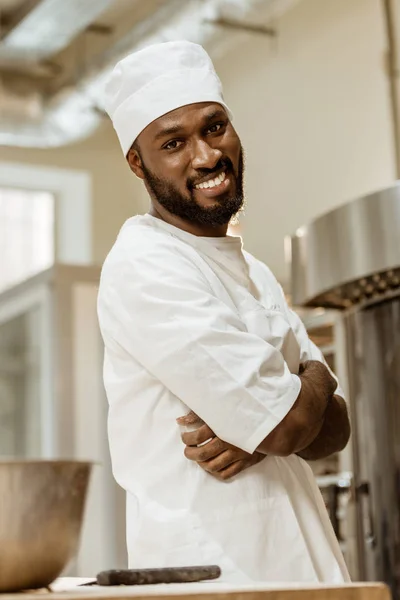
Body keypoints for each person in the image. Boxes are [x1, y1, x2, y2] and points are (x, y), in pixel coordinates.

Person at [97, 40, 351, 583]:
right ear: (138, 163)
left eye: (215, 127)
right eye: (174, 142)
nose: (207, 156)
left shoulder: (253, 271)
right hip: (218, 577)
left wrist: (285, 408)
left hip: (306, 571)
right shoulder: (147, 266)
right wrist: (298, 396)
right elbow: (289, 427)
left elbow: (334, 431)